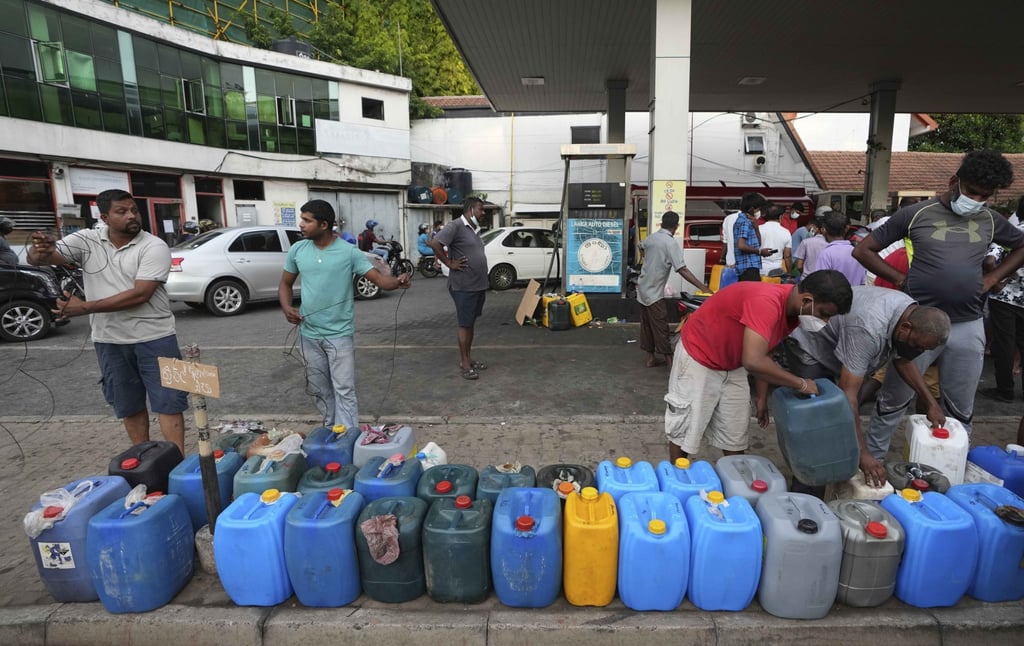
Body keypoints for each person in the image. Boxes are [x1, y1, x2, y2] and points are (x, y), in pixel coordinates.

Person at [853, 149, 1024, 460]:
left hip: (967, 323)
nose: (977, 200)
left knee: (960, 405)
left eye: (985, 196)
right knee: (893, 398)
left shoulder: (989, 219)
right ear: (954, 181)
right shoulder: (916, 213)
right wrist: (902, 279)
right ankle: (872, 462)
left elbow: (1021, 245)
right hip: (917, 324)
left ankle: (951, 464)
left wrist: (991, 278)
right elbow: (864, 250)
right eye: (972, 192)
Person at [26, 189, 189, 455]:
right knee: (129, 405)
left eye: (134, 210)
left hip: (156, 338)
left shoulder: (154, 246)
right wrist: (40, 250)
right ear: (104, 217)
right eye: (122, 211)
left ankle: (176, 462)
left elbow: (141, 294)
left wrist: (84, 308)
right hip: (109, 340)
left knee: (169, 403)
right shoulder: (87, 240)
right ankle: (144, 461)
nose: (132, 216)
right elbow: (46, 258)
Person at [663, 269, 853, 462]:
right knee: (686, 430)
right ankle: (676, 477)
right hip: (700, 356)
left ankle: (736, 477)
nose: (825, 321)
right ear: (806, 300)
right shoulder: (767, 302)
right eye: (824, 314)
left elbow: (766, 350)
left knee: (734, 435)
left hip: (733, 363)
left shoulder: (792, 311)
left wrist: (762, 397)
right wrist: (801, 383)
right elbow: (753, 361)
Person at [783, 285, 950, 488]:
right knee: (819, 418)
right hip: (810, 345)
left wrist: (931, 403)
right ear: (906, 328)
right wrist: (863, 453)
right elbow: (848, 395)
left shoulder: (907, 315)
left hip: (840, 346)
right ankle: (807, 488)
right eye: (918, 346)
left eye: (925, 349)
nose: (920, 352)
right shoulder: (869, 328)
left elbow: (904, 359)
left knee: (839, 421)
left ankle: (835, 474)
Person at [279, 200, 410, 430]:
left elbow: (380, 280)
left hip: (339, 336)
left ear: (323, 224)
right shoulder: (298, 250)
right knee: (319, 389)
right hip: (308, 335)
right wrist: (287, 307)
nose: (301, 225)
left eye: (307, 220)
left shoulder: (349, 252)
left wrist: (398, 282)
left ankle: (348, 436)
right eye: (302, 219)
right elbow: (285, 284)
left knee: (344, 390)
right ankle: (330, 429)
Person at [636, 211, 711, 368]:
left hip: (642, 286)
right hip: (654, 291)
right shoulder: (670, 243)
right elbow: (682, 269)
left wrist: (649, 260)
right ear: (676, 226)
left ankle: (650, 357)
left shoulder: (652, 237)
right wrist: (703, 287)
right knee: (660, 324)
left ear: (662, 223)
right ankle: (670, 361)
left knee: (647, 324)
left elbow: (640, 246)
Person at [428, 196, 489, 380]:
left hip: (477, 286)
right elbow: (436, 243)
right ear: (471, 210)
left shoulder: (474, 229)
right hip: (464, 286)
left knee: (470, 324)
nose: (483, 212)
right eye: (481, 209)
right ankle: (464, 362)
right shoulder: (455, 226)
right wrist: (449, 262)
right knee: (464, 324)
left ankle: (469, 359)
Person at [981, 213, 1024, 402]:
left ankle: (1004, 390)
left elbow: (989, 260)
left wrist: (996, 280)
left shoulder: (1014, 233)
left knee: (1005, 343)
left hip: (1006, 298)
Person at [816, 211, 865, 286]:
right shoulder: (857, 252)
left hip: (835, 297)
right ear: (847, 228)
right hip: (857, 295)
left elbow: (821, 282)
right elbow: (863, 281)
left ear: (823, 230)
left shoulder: (826, 254)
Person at [733, 192, 772, 281]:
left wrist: (756, 228)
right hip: (748, 268)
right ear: (751, 209)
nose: (760, 213)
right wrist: (759, 252)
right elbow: (741, 245)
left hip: (751, 266)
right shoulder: (744, 222)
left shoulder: (750, 222)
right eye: (759, 209)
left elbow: (758, 243)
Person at [757, 205, 793, 277]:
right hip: (776, 271)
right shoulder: (786, 232)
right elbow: (787, 256)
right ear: (781, 217)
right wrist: (789, 273)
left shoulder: (758, 229)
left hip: (758, 269)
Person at [793, 215, 828, 280]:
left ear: (816, 228)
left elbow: (799, 266)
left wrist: (804, 273)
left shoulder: (806, 242)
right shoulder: (830, 244)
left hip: (806, 278)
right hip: (823, 279)